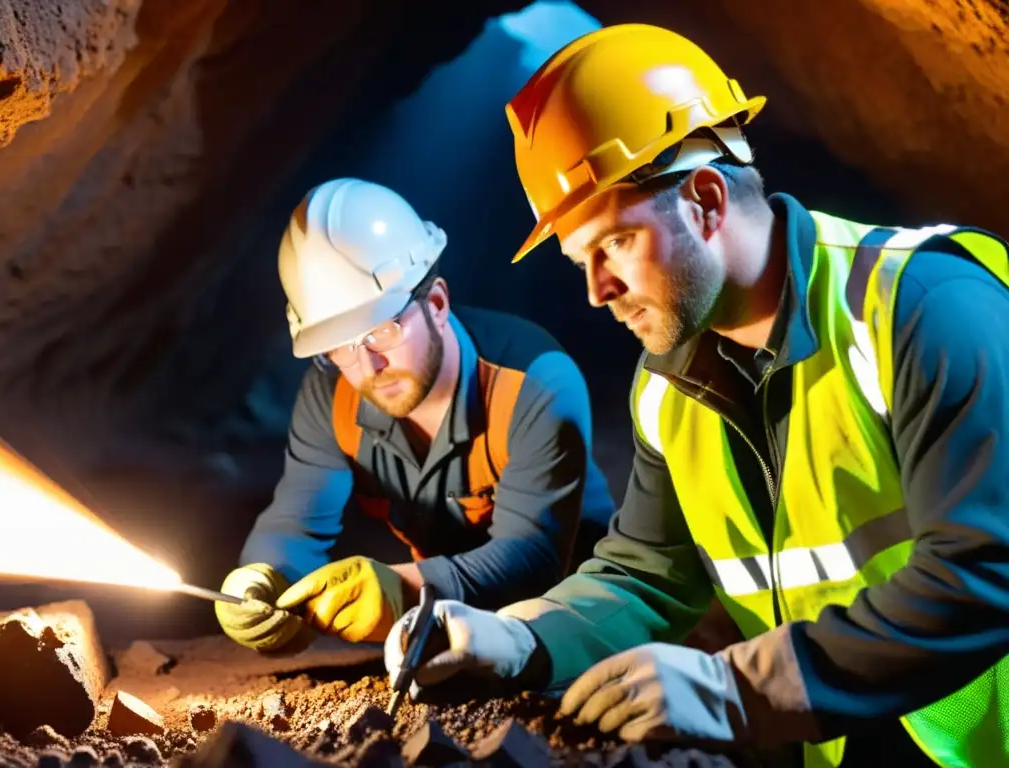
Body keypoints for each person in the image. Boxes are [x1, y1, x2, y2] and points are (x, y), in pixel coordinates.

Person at [383, 23, 1009, 768]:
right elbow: (649, 573)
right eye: (580, 259)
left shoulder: (923, 307)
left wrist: (731, 690)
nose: (595, 290)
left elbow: (984, 569)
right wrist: (521, 636)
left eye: (612, 244)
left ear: (706, 200)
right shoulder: (668, 384)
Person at [214, 177, 615, 655]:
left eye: (382, 331)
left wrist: (401, 589)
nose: (367, 367)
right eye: (340, 346)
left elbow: (531, 559)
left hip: (578, 623)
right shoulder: (332, 394)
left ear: (438, 304)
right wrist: (264, 577)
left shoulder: (534, 382)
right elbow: (296, 522)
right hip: (447, 630)